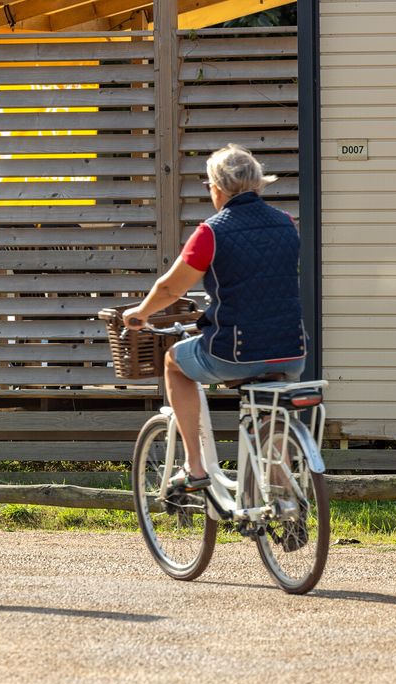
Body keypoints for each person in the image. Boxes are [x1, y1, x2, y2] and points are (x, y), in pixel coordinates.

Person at [122, 144, 306, 491]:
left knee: (174, 363)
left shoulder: (212, 232)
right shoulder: (286, 223)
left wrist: (139, 313)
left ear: (218, 187)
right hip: (291, 349)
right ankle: (281, 490)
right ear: (257, 184)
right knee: (272, 406)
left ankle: (195, 467)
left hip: (235, 352)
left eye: (208, 186)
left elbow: (169, 289)